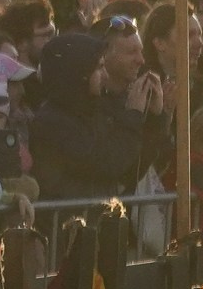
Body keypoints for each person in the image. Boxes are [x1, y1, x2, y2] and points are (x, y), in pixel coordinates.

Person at [28, 31, 167, 201]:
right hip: (68, 223)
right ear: (80, 72)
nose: (105, 75)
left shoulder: (92, 111)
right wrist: (133, 114)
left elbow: (130, 170)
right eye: (99, 68)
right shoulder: (52, 122)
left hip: (96, 221)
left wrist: (154, 118)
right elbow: (109, 163)